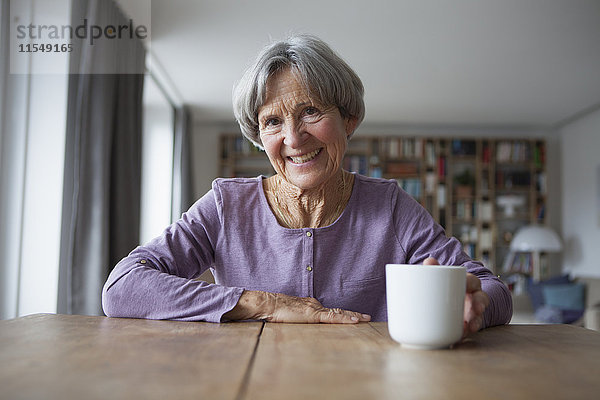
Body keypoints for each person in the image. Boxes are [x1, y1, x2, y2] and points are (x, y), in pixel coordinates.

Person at [102, 34, 512, 334]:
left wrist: (475, 302)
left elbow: (494, 289)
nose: (294, 139)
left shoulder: (389, 206)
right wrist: (265, 304)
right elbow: (123, 286)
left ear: (349, 119)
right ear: (259, 136)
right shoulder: (227, 205)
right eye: (273, 122)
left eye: (311, 111)